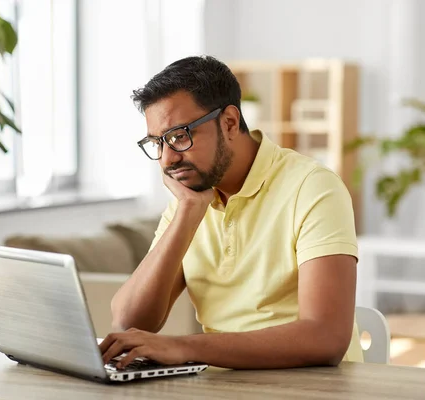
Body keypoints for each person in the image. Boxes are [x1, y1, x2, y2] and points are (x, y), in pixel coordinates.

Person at [98, 55, 362, 370]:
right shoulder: (190, 199)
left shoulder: (314, 188)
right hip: (225, 384)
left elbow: (326, 337)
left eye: (179, 136)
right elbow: (127, 321)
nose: (167, 160)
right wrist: (187, 213)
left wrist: (183, 347)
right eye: (158, 142)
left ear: (229, 123)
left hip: (313, 387)